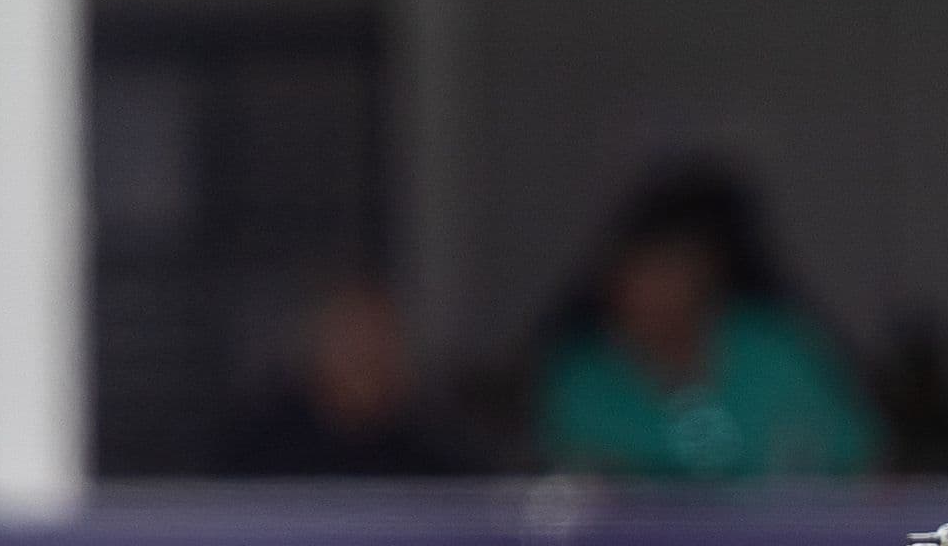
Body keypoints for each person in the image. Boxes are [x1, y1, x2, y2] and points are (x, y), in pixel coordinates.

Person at [539, 163, 882, 481]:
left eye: (673, 269)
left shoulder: (779, 350)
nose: (657, 293)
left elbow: (863, 463)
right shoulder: (583, 382)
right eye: (643, 272)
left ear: (709, 274)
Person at [222, 275, 470, 477]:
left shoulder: (430, 461)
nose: (368, 356)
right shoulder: (260, 452)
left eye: (381, 338)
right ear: (316, 349)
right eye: (351, 340)